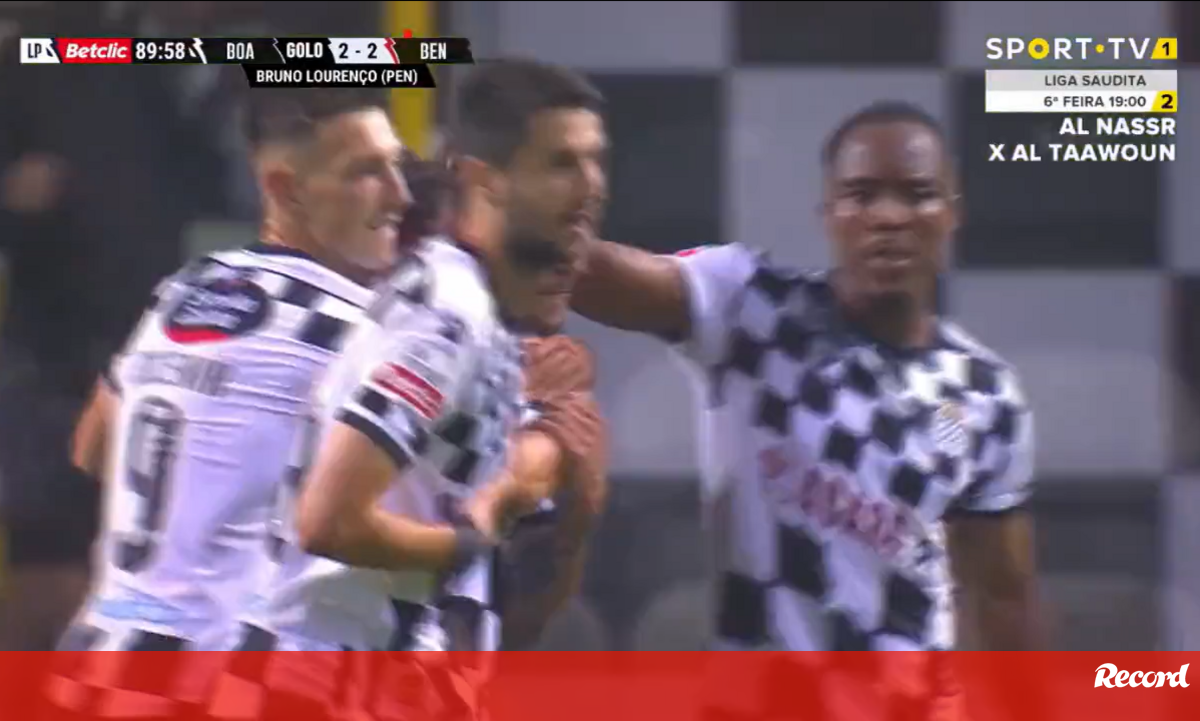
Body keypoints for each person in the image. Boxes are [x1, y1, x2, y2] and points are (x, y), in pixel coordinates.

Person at [571, 101, 1042, 716]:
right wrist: (513, 223)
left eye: (918, 195)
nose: (890, 217)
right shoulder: (751, 307)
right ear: (829, 213)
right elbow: (604, 276)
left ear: (952, 214)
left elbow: (1003, 598)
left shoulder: (985, 392)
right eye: (862, 195)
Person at [220, 58, 609, 718]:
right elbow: (329, 522)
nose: (590, 189)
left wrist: (559, 477)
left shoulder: (486, 337)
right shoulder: (442, 316)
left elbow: (516, 602)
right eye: (560, 165)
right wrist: (482, 525)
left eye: (595, 163)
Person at [43, 87, 414, 719]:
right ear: (285, 189)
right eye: (366, 173)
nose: (399, 195)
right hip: (224, 684)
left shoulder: (185, 289)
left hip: (98, 669)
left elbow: (94, 447)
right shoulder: (369, 332)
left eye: (397, 166)